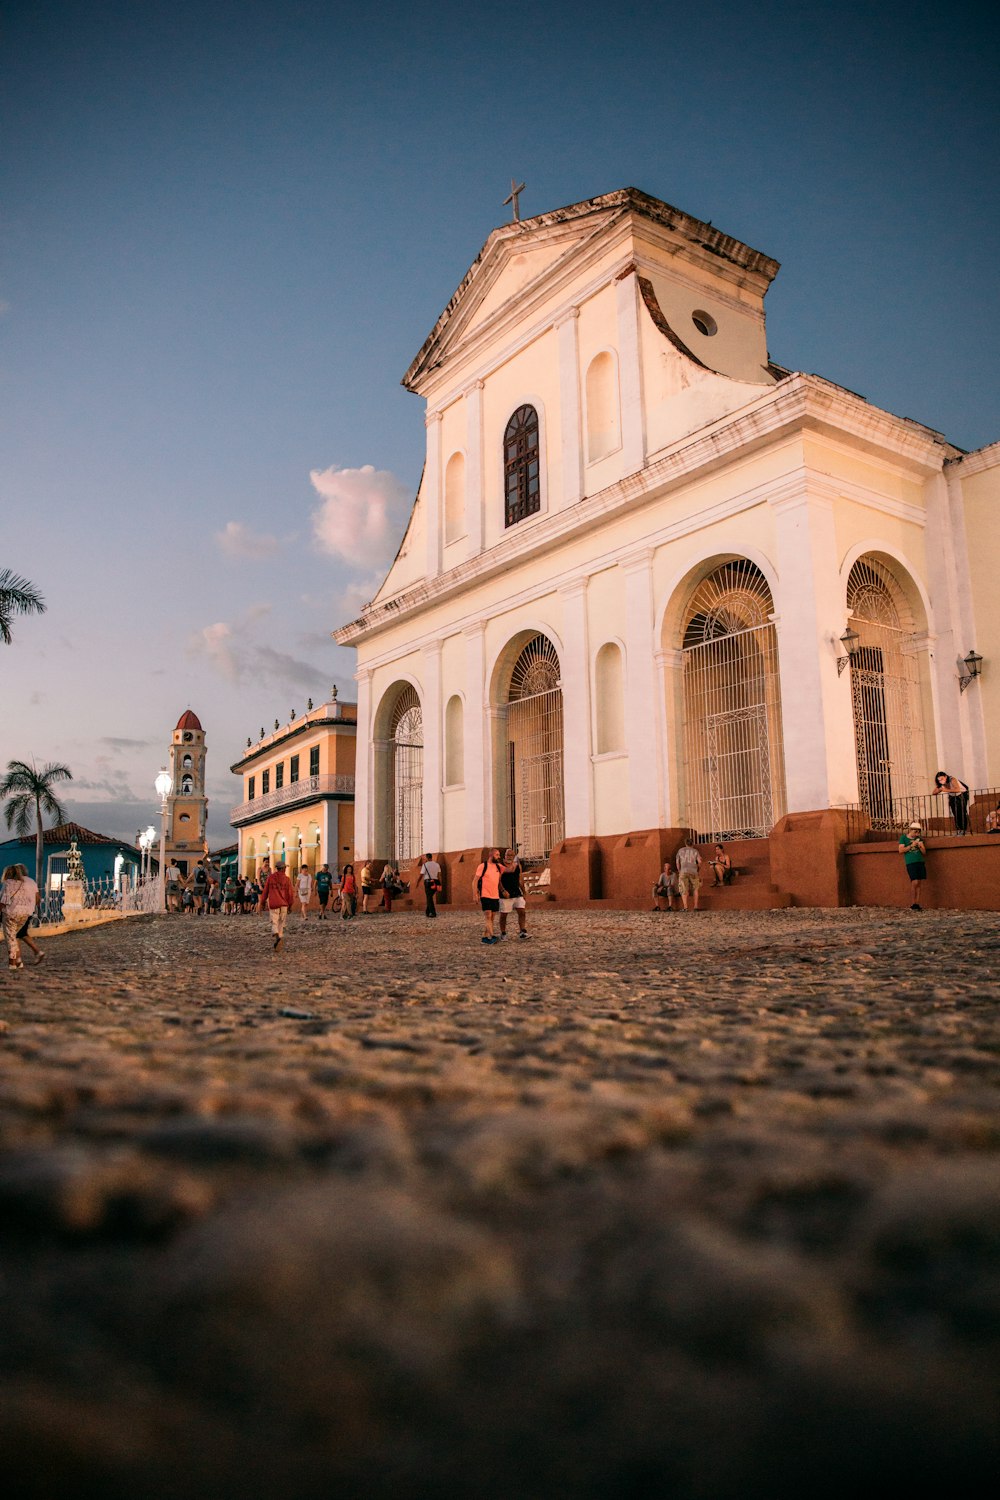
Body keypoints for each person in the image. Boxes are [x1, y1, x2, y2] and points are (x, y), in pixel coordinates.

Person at [1, 863, 42, 969]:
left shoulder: (8, 883)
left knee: (10, 939)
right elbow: (37, 899)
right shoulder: (28, 882)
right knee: (14, 937)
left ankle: (12, 963)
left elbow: (3, 901)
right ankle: (19, 962)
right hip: (25, 914)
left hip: (10, 914)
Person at [258, 860, 294, 951]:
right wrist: (290, 905)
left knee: (274, 922)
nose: (285, 869)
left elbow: (265, 891)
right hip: (284, 904)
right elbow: (290, 894)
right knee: (281, 923)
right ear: (283, 868)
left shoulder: (271, 878)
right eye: (285, 867)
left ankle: (277, 937)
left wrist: (262, 903)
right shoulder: (287, 879)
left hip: (274, 903)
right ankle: (279, 937)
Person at [474, 847, 504, 944]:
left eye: (499, 855)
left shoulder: (498, 867)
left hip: (495, 895)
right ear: (491, 855)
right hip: (485, 894)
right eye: (497, 855)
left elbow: (503, 877)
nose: (499, 857)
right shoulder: (483, 866)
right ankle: (492, 936)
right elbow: (475, 881)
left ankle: (485, 936)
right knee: (488, 915)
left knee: (492, 917)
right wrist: (475, 894)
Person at [498, 848, 528, 938]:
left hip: (517, 892)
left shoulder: (517, 866)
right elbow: (498, 880)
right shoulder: (500, 866)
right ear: (505, 856)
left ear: (514, 856)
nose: (509, 857)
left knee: (522, 911)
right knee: (504, 914)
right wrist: (503, 890)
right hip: (505, 894)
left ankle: (522, 931)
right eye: (507, 855)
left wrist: (524, 892)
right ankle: (503, 933)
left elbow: (520, 879)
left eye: (511, 855)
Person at [899, 821, 927, 910]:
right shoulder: (903, 838)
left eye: (918, 832)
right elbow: (901, 850)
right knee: (914, 881)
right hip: (911, 862)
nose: (916, 834)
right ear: (911, 830)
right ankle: (913, 901)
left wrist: (920, 846)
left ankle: (916, 903)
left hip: (919, 861)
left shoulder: (919, 839)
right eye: (915, 832)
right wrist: (911, 846)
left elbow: (924, 852)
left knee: (919, 882)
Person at [675, 838, 703, 911]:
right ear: (692, 844)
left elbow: (677, 862)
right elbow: (700, 862)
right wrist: (698, 870)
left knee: (683, 889)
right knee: (695, 889)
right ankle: (696, 906)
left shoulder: (680, 850)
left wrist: (679, 870)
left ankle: (685, 907)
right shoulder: (695, 851)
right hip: (694, 871)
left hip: (683, 871)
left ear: (685, 843)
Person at [418, 852, 442, 918]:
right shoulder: (437, 864)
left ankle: (433, 912)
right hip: (436, 882)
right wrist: (440, 883)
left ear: (427, 858)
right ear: (431, 857)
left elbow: (421, 874)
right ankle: (427, 912)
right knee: (430, 897)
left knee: (429, 897)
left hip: (428, 882)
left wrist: (418, 882)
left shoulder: (425, 865)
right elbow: (439, 874)